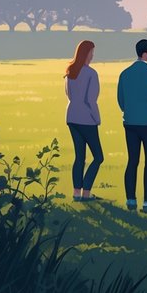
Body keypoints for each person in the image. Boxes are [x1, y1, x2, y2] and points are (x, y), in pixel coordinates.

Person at [117, 38, 147, 213]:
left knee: (132, 161)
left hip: (130, 123)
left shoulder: (125, 74)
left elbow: (121, 99)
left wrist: (129, 111)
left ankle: (131, 200)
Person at [63, 40, 103, 202]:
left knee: (80, 156)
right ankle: (86, 192)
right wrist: (97, 118)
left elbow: (69, 95)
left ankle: (76, 193)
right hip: (87, 119)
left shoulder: (70, 71)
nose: (93, 55)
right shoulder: (91, 74)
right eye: (92, 52)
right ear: (86, 53)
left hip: (72, 117)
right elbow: (91, 100)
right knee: (98, 157)